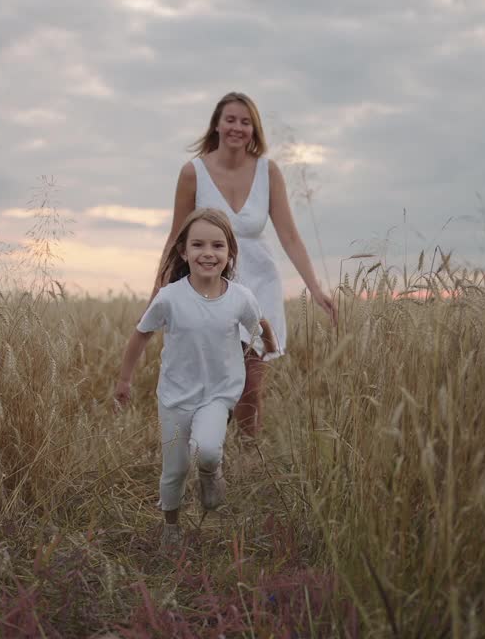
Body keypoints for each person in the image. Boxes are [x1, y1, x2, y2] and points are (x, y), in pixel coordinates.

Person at [151, 92, 336, 437]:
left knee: (251, 382)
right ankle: (211, 452)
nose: (238, 127)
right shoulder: (194, 172)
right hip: (210, 286)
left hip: (260, 284)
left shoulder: (269, 171)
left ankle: (249, 457)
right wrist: (158, 289)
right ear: (217, 125)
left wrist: (315, 287)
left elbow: (290, 236)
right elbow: (176, 236)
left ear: (254, 129)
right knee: (213, 381)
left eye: (245, 121)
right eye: (231, 119)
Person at [116, 208, 278, 550]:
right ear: (183, 252)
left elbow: (259, 322)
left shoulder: (239, 297)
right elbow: (141, 334)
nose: (208, 253)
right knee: (174, 469)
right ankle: (171, 528)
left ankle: (211, 473)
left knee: (206, 450)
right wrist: (124, 380)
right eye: (199, 245)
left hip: (218, 394)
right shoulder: (170, 298)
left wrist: (270, 345)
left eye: (218, 246)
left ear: (230, 253)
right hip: (175, 397)